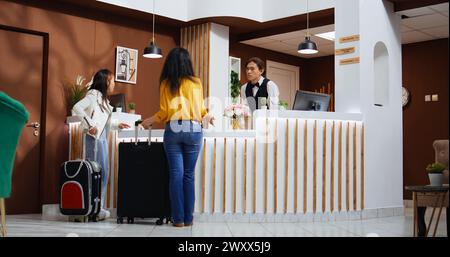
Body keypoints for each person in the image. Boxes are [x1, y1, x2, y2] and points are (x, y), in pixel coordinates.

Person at [141, 47, 214, 227]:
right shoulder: (196, 82)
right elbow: (200, 110)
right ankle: (188, 219)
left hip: (173, 130)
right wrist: (208, 116)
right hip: (194, 129)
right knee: (189, 176)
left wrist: (149, 120)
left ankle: (178, 219)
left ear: (169, 63)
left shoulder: (166, 83)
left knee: (176, 175)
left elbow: (165, 112)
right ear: (187, 62)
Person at [72, 69, 130, 220]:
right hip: (95, 139)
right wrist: (90, 125)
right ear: (105, 81)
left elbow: (104, 121)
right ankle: (94, 208)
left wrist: (118, 125)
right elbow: (76, 108)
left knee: (103, 173)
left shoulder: (103, 99)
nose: (114, 84)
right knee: (96, 173)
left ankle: (98, 207)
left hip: (102, 138)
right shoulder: (92, 96)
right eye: (112, 81)